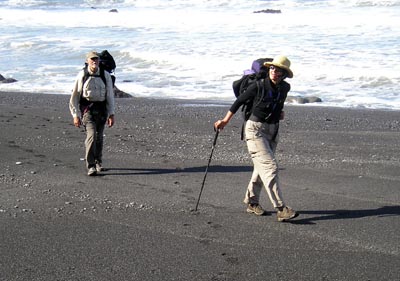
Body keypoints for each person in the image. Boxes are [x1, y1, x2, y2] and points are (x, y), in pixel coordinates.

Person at [214, 55, 298, 222]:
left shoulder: (285, 88)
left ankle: (252, 202)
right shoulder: (258, 86)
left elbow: (278, 103)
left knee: (261, 169)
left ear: (284, 74)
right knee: (270, 167)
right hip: (255, 130)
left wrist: (279, 113)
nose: (274, 72)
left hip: (273, 131)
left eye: (278, 70)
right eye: (272, 69)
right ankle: (281, 208)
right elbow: (238, 102)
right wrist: (224, 121)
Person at [69, 51, 115, 176]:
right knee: (91, 136)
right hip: (87, 111)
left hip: (101, 111)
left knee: (99, 137)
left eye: (96, 59)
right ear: (87, 61)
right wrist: (75, 115)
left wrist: (111, 114)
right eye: (92, 59)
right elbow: (75, 96)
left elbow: (110, 95)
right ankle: (91, 166)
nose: (94, 61)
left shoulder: (105, 75)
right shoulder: (82, 75)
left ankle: (98, 162)